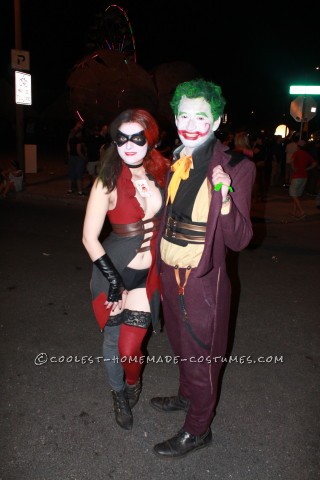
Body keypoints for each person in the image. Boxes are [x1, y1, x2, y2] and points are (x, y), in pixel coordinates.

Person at [150, 79, 256, 459]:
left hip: (201, 278)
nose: (190, 123)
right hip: (169, 269)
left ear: (217, 119)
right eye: (183, 114)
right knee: (179, 343)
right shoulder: (176, 158)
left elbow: (240, 238)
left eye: (201, 116)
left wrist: (224, 197)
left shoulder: (237, 167)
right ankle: (185, 396)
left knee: (201, 356)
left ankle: (198, 430)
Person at [82, 109, 170, 431]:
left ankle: (132, 383)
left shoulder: (161, 174)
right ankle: (118, 392)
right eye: (122, 138)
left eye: (137, 138)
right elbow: (89, 237)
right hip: (113, 273)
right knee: (113, 341)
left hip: (148, 276)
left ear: (150, 140)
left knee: (131, 349)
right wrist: (115, 283)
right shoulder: (106, 179)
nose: (129, 145)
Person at [289, 142, 317, 219]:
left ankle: (301, 212)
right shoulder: (306, 154)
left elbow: (291, 161)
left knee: (293, 194)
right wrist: (307, 169)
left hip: (297, 176)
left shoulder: (297, 152)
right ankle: (294, 211)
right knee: (297, 195)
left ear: (298, 146)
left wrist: (293, 168)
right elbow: (314, 163)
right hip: (304, 176)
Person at [84, 124, 111, 190]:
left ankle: (97, 185)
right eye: (95, 130)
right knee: (91, 172)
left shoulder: (103, 138)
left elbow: (105, 148)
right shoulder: (90, 138)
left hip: (99, 159)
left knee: (99, 173)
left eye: (97, 131)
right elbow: (86, 146)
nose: (96, 132)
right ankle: (92, 184)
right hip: (91, 158)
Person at [66, 120, 87, 195]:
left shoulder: (71, 139)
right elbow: (78, 150)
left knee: (71, 174)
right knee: (79, 175)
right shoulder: (78, 140)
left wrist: (69, 154)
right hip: (78, 158)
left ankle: (69, 189)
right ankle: (79, 191)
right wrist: (84, 158)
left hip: (72, 156)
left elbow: (68, 147)